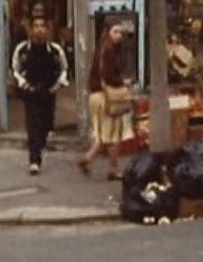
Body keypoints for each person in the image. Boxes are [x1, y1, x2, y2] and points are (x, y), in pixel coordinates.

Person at [12, 14, 69, 175]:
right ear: (31, 29)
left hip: (48, 91)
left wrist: (57, 85)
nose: (39, 29)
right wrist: (25, 85)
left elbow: (64, 69)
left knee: (46, 124)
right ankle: (34, 160)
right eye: (35, 26)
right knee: (33, 124)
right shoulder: (23, 49)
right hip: (31, 92)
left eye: (42, 26)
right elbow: (15, 69)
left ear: (47, 29)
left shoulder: (55, 50)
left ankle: (41, 144)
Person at [78, 21, 135, 181]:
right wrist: (124, 82)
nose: (119, 36)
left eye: (120, 33)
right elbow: (109, 76)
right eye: (115, 32)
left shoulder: (102, 48)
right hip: (106, 97)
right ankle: (112, 168)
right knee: (114, 135)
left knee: (106, 133)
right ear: (108, 32)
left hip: (97, 96)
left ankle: (89, 159)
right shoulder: (109, 50)